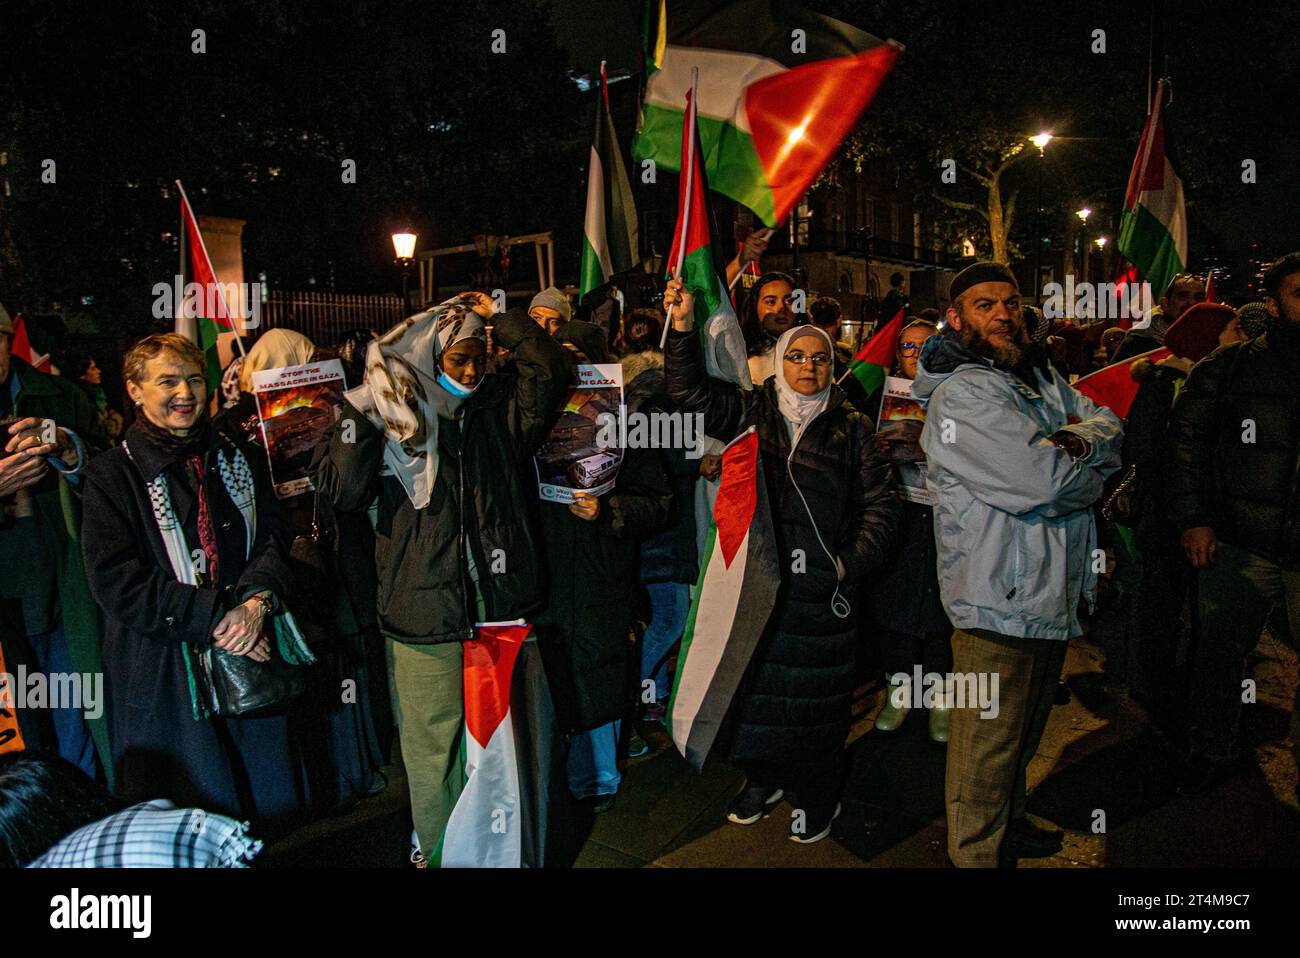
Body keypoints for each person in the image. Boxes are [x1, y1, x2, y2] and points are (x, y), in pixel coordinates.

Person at [311, 293, 569, 862]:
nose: (473, 370)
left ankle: (499, 850)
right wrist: (364, 412)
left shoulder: (500, 408)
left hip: (498, 606)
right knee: (434, 749)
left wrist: (501, 317)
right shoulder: (385, 414)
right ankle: (442, 850)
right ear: (430, 357)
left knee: (501, 744)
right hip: (423, 614)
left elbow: (551, 369)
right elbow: (344, 492)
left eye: (480, 356)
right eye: (459, 360)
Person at [665, 277, 899, 845]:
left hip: (822, 600)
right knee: (756, 701)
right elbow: (688, 392)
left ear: (831, 365)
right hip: (755, 592)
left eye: (819, 358)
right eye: (795, 355)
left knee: (816, 715)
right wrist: (681, 327)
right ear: (777, 361)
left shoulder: (853, 429)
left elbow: (882, 507)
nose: (807, 366)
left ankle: (818, 799)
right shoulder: (749, 411)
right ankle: (759, 781)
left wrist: (845, 566)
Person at [912, 262, 1123, 867]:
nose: (1003, 314)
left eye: (1010, 302)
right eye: (985, 304)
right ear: (956, 318)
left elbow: (1109, 424)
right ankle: (975, 854)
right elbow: (1045, 483)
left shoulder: (1038, 375)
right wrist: (1086, 463)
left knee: (1023, 736)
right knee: (986, 748)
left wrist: (1077, 444)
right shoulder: (962, 393)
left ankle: (1009, 823)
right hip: (995, 601)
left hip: (1048, 593)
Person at [81, 333, 304, 826]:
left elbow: (272, 534)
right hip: (165, 672)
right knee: (192, 814)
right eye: (167, 381)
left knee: (264, 808)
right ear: (135, 390)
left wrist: (255, 604)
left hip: (250, 651)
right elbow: (116, 578)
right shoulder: (111, 476)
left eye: (194, 379)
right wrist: (217, 620)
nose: (185, 393)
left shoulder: (237, 455)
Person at [216, 328, 387, 813]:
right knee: (329, 660)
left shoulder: (245, 418)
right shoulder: (239, 423)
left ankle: (339, 774)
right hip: (296, 553)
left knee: (328, 660)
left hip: (311, 548)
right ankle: (347, 771)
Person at [1166, 252, 1300, 795]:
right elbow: (1187, 447)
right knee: (1222, 654)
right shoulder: (1230, 368)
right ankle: (1212, 746)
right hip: (1242, 544)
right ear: (1272, 304)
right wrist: (1195, 519)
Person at [533, 321, 672, 811]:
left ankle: (598, 779)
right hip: (545, 566)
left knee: (599, 669)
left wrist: (609, 510)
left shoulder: (629, 421)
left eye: (576, 356)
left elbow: (657, 501)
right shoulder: (529, 414)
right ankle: (556, 774)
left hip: (601, 567)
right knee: (553, 673)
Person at [1120, 303, 1247, 735]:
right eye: (1232, 328)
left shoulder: (1218, 381)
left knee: (1192, 610)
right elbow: (1149, 453)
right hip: (1166, 522)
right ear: (1206, 338)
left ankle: (1181, 686)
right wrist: (1186, 512)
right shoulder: (1166, 384)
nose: (1241, 335)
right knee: (1160, 607)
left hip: (1192, 519)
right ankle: (1155, 690)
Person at [0, 307, 109, 782]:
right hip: (5, 616)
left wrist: (70, 448)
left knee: (77, 734)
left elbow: (117, 480)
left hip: (62, 599)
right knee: (18, 752)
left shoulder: (60, 397)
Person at [865, 318, 954, 741]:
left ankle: (941, 697)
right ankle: (899, 690)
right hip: (897, 516)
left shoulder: (958, 396)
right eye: (907, 347)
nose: (915, 354)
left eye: (924, 347)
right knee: (895, 603)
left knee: (941, 606)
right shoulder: (876, 399)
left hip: (944, 519)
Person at [617, 310, 698, 747]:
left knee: (657, 617)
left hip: (644, 532)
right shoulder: (661, 400)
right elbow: (670, 463)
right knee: (672, 617)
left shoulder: (627, 397)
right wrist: (700, 460)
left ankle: (654, 693)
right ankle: (632, 691)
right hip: (663, 533)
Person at [1113, 273, 1206, 362]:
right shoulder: (1138, 339)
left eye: (1198, 297)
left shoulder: (1209, 339)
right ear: (1165, 304)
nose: (1192, 303)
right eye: (1183, 296)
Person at [740, 272, 799, 387]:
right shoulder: (739, 354)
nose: (781, 308)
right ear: (754, 306)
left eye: (790, 301)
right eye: (771, 302)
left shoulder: (813, 349)